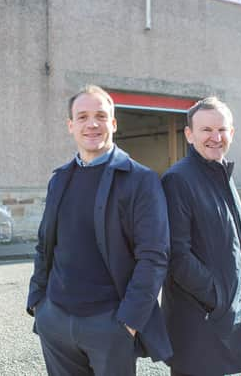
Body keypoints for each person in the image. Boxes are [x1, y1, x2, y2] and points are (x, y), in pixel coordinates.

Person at [26, 85, 172, 376]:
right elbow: (45, 245)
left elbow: (154, 256)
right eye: (82, 117)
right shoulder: (60, 179)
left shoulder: (140, 180)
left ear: (113, 124)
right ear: (71, 125)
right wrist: (38, 304)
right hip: (55, 319)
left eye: (100, 116)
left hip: (110, 324)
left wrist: (129, 322)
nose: (92, 124)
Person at [161, 97, 241, 376]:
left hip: (223, 316)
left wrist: (237, 300)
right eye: (206, 130)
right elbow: (176, 256)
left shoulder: (222, 176)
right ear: (189, 134)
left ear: (232, 133)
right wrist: (218, 296)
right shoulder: (178, 180)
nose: (215, 137)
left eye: (222, 130)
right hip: (196, 323)